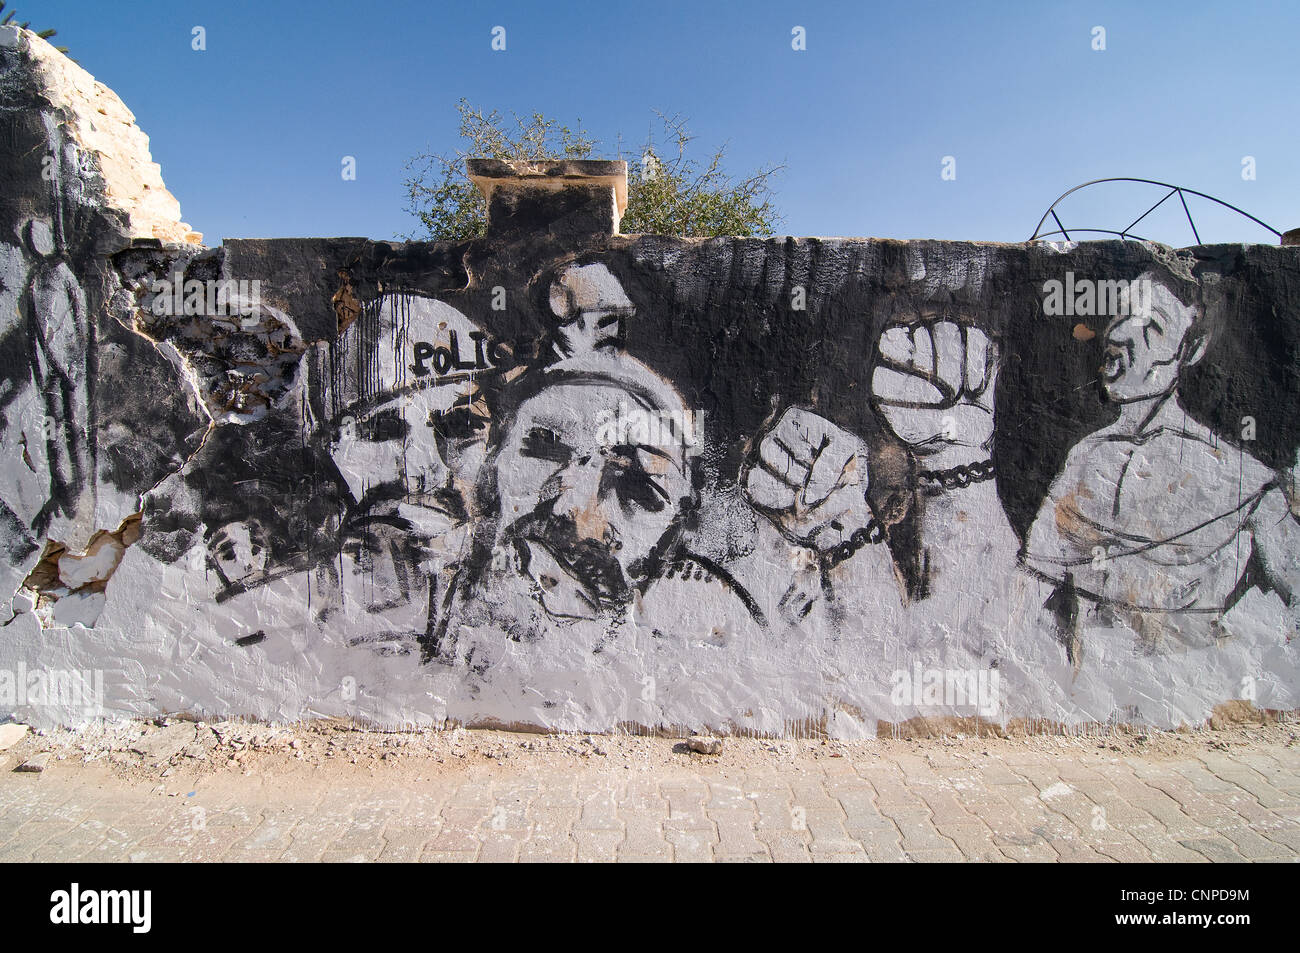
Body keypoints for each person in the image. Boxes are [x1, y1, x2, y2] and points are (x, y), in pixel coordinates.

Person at [1022, 269, 1300, 656]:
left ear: (1192, 347)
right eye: (1120, 317)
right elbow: (1039, 599)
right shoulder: (1085, 459)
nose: (1120, 336)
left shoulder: (1246, 483)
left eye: (1151, 325)